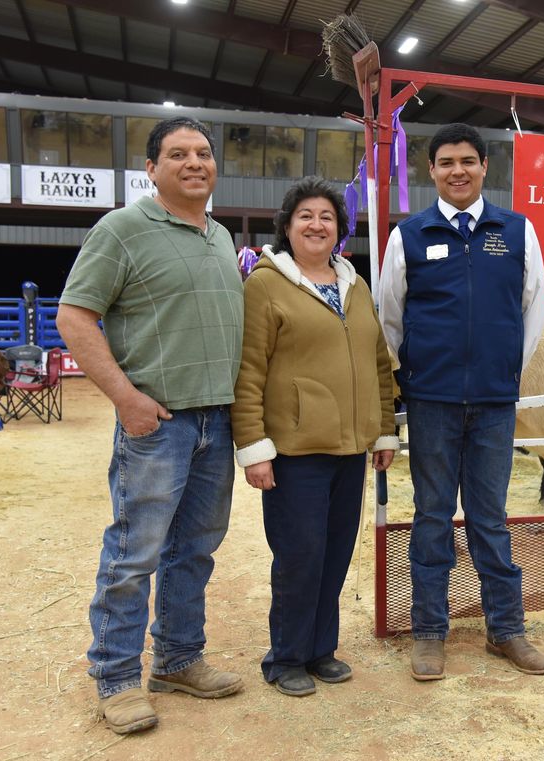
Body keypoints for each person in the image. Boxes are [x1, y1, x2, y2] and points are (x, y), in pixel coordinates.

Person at [56, 116, 245, 735]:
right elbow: (75, 316)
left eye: (203, 153)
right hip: (156, 423)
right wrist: (125, 398)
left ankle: (178, 657)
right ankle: (114, 678)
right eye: (178, 154)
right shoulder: (122, 230)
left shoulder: (219, 235)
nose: (194, 163)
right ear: (151, 169)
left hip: (216, 422)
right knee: (134, 552)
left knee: (195, 549)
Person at [377, 123, 544, 681]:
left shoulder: (517, 232)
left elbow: (533, 312)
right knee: (432, 516)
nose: (458, 170)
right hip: (431, 402)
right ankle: (430, 632)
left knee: (490, 519)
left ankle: (507, 629)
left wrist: (504, 372)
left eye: (469, 161)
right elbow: (390, 317)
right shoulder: (408, 235)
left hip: (495, 404)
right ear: (430, 171)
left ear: (484, 168)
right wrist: (417, 376)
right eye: (447, 161)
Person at [231, 176, 398, 697]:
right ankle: (285, 657)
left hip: (351, 450)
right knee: (300, 554)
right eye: (305, 215)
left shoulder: (355, 284)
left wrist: (385, 430)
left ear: (340, 230)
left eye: (326, 216)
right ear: (286, 225)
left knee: (335, 553)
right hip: (295, 452)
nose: (316, 224)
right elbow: (248, 369)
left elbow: (378, 363)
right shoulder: (265, 284)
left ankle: (321, 649)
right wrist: (253, 448)